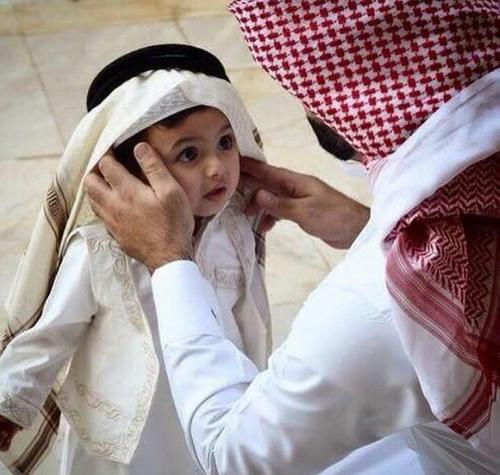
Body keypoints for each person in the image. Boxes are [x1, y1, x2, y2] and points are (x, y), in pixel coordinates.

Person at [85, 1, 500, 474]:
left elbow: (232, 454)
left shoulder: (380, 305)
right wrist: (365, 226)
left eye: (304, 82)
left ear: (347, 88)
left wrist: (168, 259)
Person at [0, 44, 271, 475]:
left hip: (212, 404)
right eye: (189, 154)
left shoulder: (235, 230)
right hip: (125, 434)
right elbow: (53, 334)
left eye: (225, 142)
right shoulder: (99, 248)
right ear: (134, 171)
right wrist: (12, 401)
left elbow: (251, 317)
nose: (217, 168)